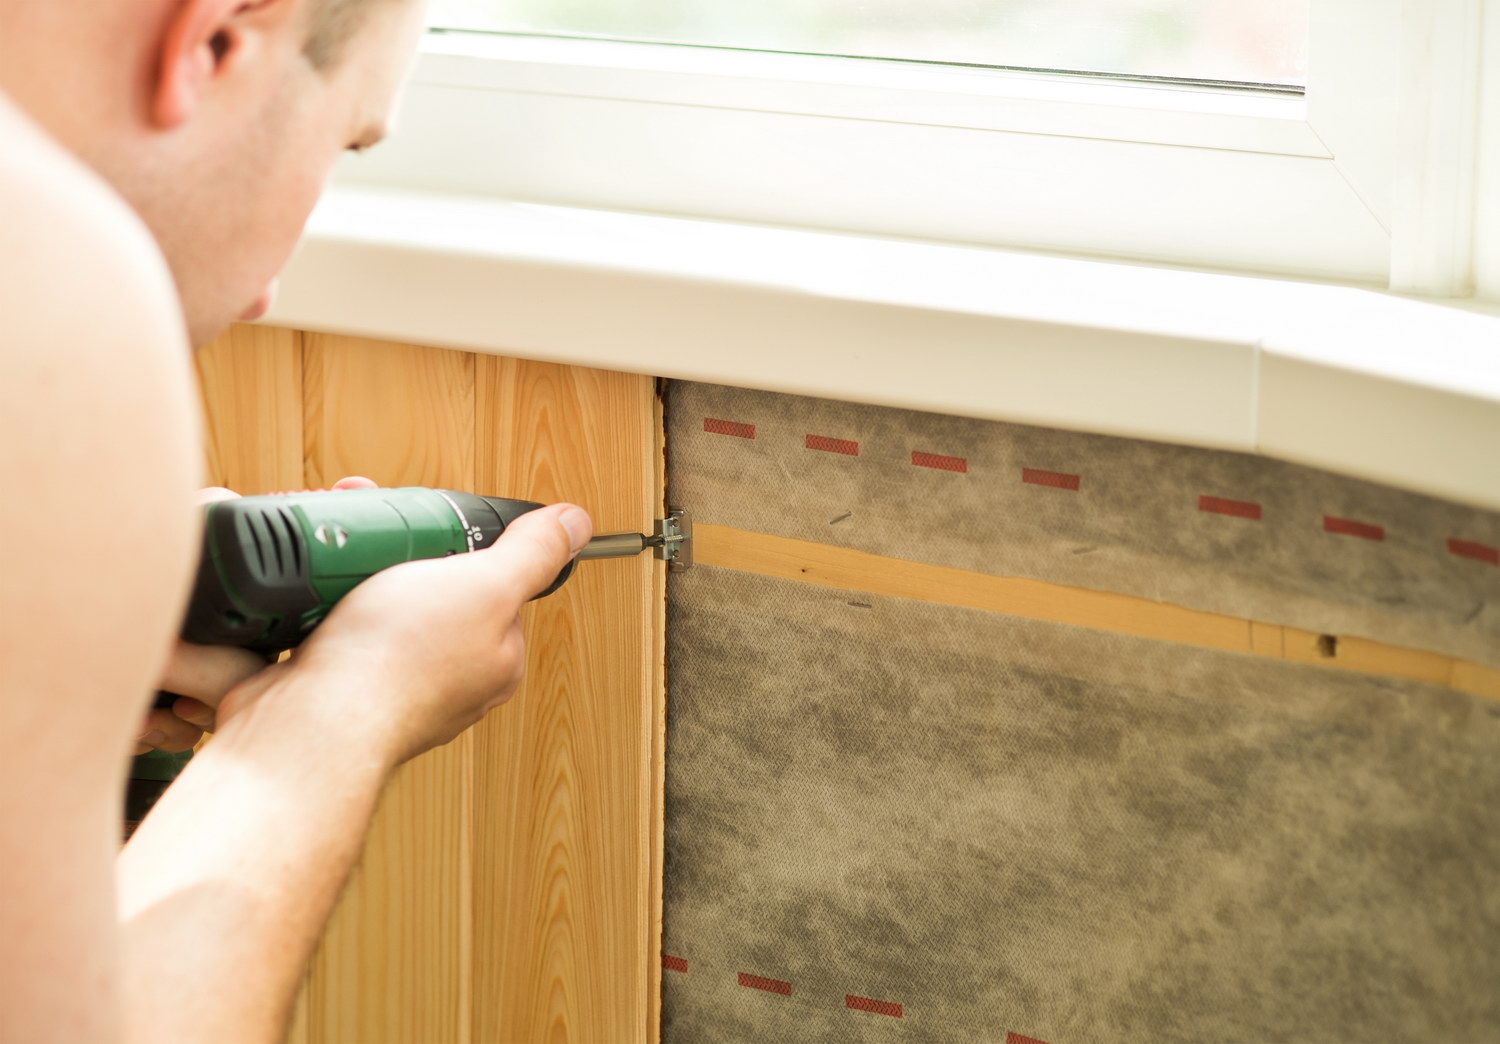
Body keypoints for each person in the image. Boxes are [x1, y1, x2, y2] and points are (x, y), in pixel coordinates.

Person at [0, 1, 594, 1040]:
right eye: (339, 145)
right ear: (215, 41)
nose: (267, 295)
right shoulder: (49, 278)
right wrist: (346, 705)